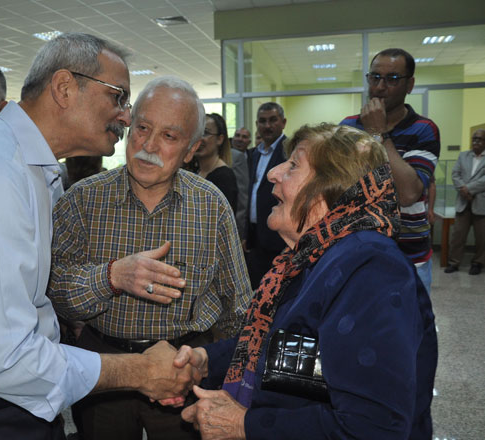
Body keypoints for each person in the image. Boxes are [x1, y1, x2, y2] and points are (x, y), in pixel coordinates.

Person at [0, 33, 198, 440]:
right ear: (65, 87)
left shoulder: (32, 171)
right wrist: (139, 371)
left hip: (13, 407)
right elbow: (5, 356)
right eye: (118, 98)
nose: (124, 116)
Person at [173, 124, 438, 440]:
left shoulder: (370, 268)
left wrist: (242, 425)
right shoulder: (314, 256)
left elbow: (372, 427)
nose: (273, 173)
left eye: (294, 165)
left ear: (332, 189)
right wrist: (205, 361)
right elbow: (297, 354)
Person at [49, 76, 252, 440]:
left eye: (169, 137)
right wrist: (111, 277)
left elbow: (238, 308)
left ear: (191, 150)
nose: (148, 145)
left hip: (185, 368)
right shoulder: (80, 201)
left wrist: (223, 376)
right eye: (142, 128)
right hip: (105, 369)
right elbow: (53, 292)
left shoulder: (211, 207)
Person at [340, 48, 440, 293]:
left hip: (409, 256)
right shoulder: (348, 127)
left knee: (411, 329)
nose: (380, 86)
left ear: (410, 84)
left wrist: (378, 134)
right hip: (358, 252)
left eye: (392, 79)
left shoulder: (424, 129)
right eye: (375, 77)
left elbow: (408, 194)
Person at [245, 102, 287, 289]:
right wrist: (247, 232)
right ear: (257, 125)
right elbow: (253, 194)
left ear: (283, 122)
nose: (267, 126)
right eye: (262, 121)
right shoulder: (255, 154)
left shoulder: (289, 152)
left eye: (272, 120)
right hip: (256, 239)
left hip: (279, 240)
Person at [445, 129, 485, 275]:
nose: (476, 142)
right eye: (474, 139)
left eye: (479, 139)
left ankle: (478, 263)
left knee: (482, 238)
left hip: (481, 204)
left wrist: (468, 189)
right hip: (463, 203)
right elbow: (455, 174)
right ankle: (454, 263)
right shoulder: (463, 156)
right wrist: (463, 190)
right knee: (457, 236)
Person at [196, 112, 238, 213]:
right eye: (197, 133)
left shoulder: (224, 177)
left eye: (205, 133)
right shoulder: (196, 171)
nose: (199, 139)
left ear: (219, 139)